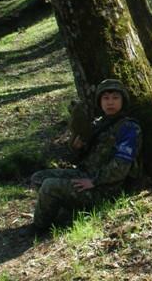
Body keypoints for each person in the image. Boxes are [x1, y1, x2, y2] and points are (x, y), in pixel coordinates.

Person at [29, 79, 142, 232]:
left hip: (105, 190)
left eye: (115, 98)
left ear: (123, 101)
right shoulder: (97, 125)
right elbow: (81, 157)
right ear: (100, 102)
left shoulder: (129, 128)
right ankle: (65, 212)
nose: (110, 102)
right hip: (85, 175)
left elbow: (121, 167)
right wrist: (77, 148)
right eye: (106, 98)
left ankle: (38, 229)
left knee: (49, 186)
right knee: (38, 178)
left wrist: (94, 181)